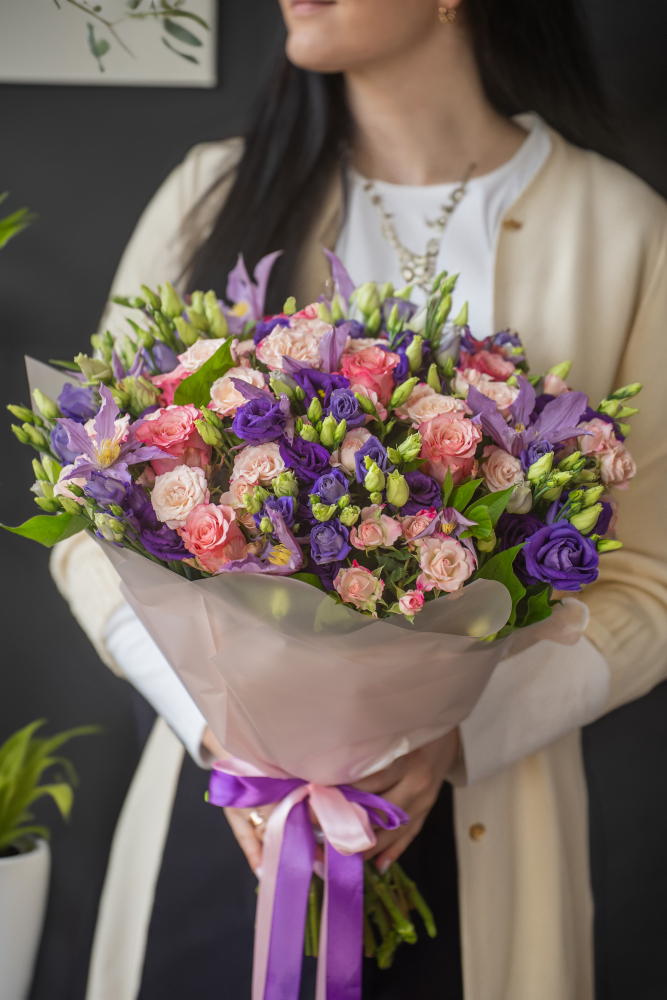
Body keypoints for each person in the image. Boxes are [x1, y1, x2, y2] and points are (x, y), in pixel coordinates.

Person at [51, 1, 667, 998]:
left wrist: (456, 732)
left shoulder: (623, 230)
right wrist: (217, 725)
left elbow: (649, 579)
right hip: (221, 816)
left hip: (476, 826)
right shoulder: (211, 192)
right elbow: (92, 522)